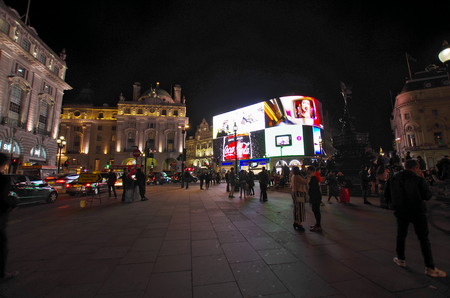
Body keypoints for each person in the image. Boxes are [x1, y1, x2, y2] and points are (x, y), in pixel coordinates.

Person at [385, 159, 446, 278]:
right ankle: (430, 267)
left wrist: (394, 205)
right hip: (417, 211)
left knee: (401, 235)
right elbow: (427, 196)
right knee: (423, 239)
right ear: (416, 168)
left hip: (401, 211)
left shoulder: (393, 179)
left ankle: (401, 259)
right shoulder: (418, 179)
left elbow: (387, 195)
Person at [0, 153, 19, 282]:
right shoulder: (2, 180)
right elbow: (3, 199)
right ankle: (2, 273)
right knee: (1, 245)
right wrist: (11, 204)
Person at [290, 166, 308, 231]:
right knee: (300, 208)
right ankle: (299, 223)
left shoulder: (293, 176)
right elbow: (305, 182)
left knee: (296, 207)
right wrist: (309, 176)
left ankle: (296, 221)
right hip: (299, 193)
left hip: (294, 193)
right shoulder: (297, 176)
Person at [307, 166, 322, 232]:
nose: (307, 171)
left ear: (311, 170)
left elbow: (313, 189)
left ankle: (318, 226)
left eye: (308, 170)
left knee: (316, 210)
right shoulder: (313, 177)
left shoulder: (314, 178)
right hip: (315, 196)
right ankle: (317, 224)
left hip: (316, 197)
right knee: (315, 210)